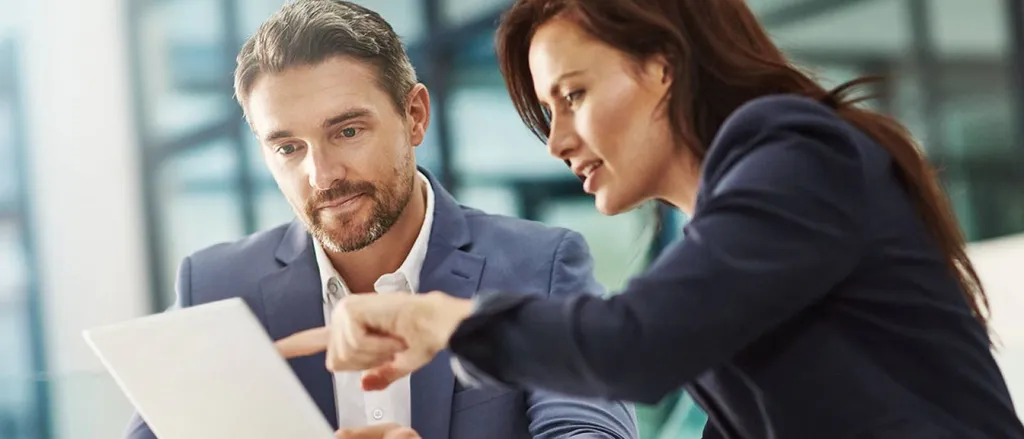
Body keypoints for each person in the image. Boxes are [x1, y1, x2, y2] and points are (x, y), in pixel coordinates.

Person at [275, 0, 1024, 438]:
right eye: (546, 113)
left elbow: (633, 345)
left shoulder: (798, 151)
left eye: (571, 95)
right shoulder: (726, 250)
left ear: (663, 64)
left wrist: (437, 319)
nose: (559, 140)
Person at [124, 1, 639, 439]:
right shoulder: (215, 288)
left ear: (414, 116)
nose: (321, 175)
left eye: (347, 132)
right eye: (287, 147)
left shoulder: (538, 267)